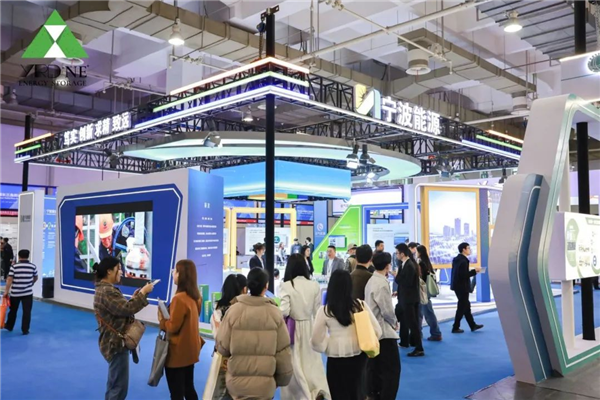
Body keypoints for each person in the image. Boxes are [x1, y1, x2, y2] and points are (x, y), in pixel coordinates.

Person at [217, 268, 293, 399]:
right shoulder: (275, 313)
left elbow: (222, 347)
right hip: (265, 387)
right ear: (266, 286)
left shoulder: (233, 311)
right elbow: (282, 351)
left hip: (236, 385)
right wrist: (282, 379)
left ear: (248, 286)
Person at [311, 270, 382, 400]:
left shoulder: (325, 311)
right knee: (357, 393)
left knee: (337, 393)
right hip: (358, 356)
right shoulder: (360, 305)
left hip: (335, 358)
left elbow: (316, 340)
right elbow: (377, 330)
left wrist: (327, 344)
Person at [93, 256, 154, 400]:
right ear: (109, 271)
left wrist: (136, 297)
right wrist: (143, 293)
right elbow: (127, 309)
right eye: (118, 268)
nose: (121, 272)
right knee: (119, 389)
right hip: (116, 344)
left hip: (112, 342)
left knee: (114, 384)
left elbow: (120, 309)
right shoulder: (107, 291)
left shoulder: (104, 289)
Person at [280, 254, 330, 399]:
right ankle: (316, 391)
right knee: (312, 361)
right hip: (310, 327)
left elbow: (284, 311)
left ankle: (298, 394)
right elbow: (317, 310)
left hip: (293, 329)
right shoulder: (314, 285)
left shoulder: (286, 285)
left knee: (294, 362)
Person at [158, 260, 204, 400]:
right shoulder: (196, 297)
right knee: (189, 388)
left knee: (176, 392)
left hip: (177, 353)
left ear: (181, 275)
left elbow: (173, 327)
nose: (173, 273)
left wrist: (162, 320)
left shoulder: (179, 299)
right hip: (190, 350)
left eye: (176, 271)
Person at [365, 252, 401, 400]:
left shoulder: (371, 280)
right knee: (392, 371)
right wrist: (395, 323)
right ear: (387, 266)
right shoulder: (381, 284)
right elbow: (387, 310)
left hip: (373, 331)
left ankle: (375, 395)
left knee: (376, 369)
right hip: (384, 333)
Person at [209, 275, 245, 400]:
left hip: (222, 356)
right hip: (241, 358)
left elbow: (217, 336)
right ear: (243, 290)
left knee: (220, 390)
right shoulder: (244, 310)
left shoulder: (217, 311)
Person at [395, 243, 424, 357]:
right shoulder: (406, 264)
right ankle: (407, 342)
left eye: (397, 253)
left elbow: (406, 282)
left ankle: (419, 347)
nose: (396, 255)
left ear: (402, 254)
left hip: (409, 300)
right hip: (407, 298)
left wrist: (396, 276)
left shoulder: (409, 266)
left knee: (413, 324)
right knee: (409, 322)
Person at [451, 243, 483, 333]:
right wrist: (475, 271)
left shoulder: (457, 259)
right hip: (462, 287)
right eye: (468, 248)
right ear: (463, 249)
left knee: (466, 306)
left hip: (457, 286)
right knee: (462, 307)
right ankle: (455, 327)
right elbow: (464, 275)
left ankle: (472, 325)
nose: (470, 250)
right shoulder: (464, 261)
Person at [3, 249, 38, 335]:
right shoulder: (33, 266)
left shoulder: (14, 267)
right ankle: (25, 330)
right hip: (28, 293)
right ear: (28, 256)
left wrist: (6, 291)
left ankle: (9, 326)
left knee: (13, 310)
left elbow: (9, 279)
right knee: (27, 312)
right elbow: (36, 277)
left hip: (15, 293)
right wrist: (31, 283)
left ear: (19, 256)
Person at [417, 245, 442, 342]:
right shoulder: (427, 262)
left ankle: (436, 333)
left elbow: (421, 278)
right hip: (425, 291)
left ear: (419, 252)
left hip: (423, 292)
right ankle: (419, 333)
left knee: (428, 313)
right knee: (421, 313)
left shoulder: (421, 263)